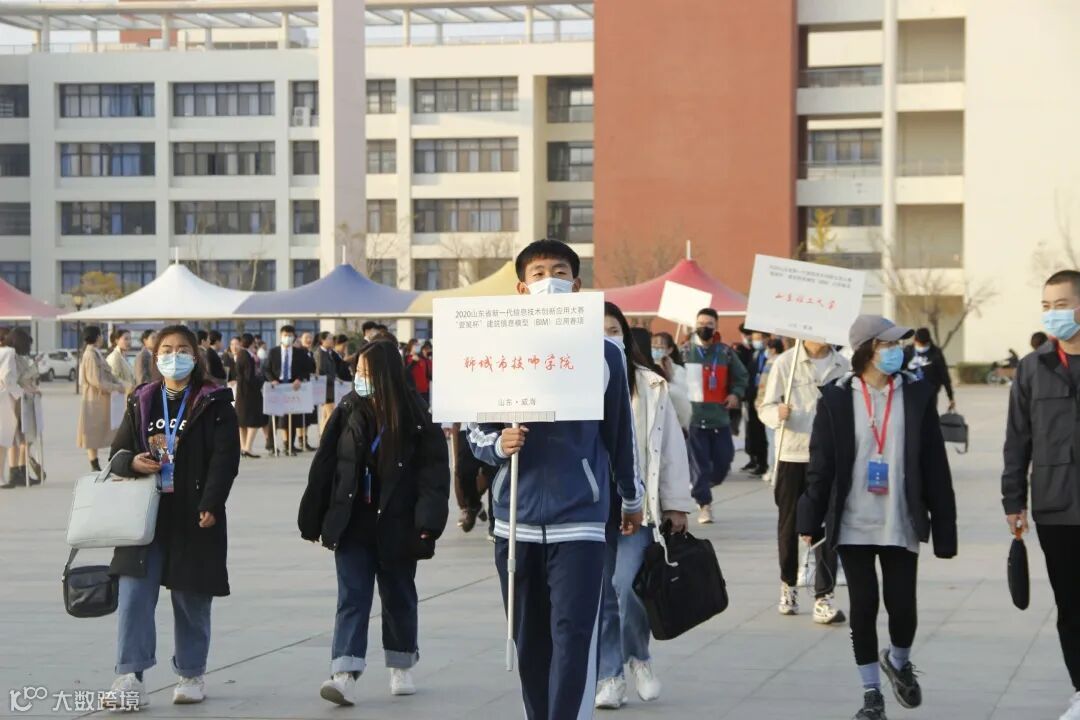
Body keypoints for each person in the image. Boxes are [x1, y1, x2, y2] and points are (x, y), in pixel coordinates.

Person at [468, 240, 642, 720]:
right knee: (528, 639)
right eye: (539, 273)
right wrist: (497, 445)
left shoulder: (605, 354)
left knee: (573, 635)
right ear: (522, 288)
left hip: (580, 519)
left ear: (577, 284)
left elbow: (621, 435)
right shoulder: (496, 352)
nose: (550, 281)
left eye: (559, 272)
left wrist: (631, 499)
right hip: (515, 522)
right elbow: (474, 431)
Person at [798, 315, 957, 720]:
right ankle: (871, 694)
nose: (896, 351)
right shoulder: (836, 398)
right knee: (864, 605)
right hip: (853, 521)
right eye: (888, 344)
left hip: (900, 519)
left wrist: (944, 526)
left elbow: (934, 464)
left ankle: (898, 661)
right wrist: (808, 519)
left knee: (902, 605)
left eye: (897, 344)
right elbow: (821, 465)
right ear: (867, 349)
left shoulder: (916, 394)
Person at [300, 340, 450, 707]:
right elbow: (325, 465)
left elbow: (433, 475)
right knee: (352, 597)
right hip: (353, 521)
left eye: (366, 372)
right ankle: (344, 672)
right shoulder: (348, 408)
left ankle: (401, 662)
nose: (359, 378)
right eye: (357, 372)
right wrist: (313, 516)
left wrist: (428, 523)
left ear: (385, 374)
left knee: (398, 595)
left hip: (398, 523)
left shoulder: (417, 416)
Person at [104, 324, 240, 710]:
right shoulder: (142, 399)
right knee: (134, 595)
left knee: (191, 596)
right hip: (145, 515)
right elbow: (117, 454)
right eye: (166, 349)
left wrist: (211, 502)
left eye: (182, 349)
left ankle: (191, 673)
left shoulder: (214, 401)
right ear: (155, 354)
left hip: (194, 514)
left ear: (195, 356)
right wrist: (133, 462)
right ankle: (130, 675)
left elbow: (225, 459)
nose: (174, 356)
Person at [596, 312, 694, 709]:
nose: (607, 338)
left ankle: (638, 655)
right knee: (602, 594)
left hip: (636, 504)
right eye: (598, 332)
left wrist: (676, 504)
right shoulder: (574, 381)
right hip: (591, 504)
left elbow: (670, 447)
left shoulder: (651, 385)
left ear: (625, 336)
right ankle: (610, 676)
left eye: (614, 331)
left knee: (628, 586)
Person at [1003, 270, 1080, 720]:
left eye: (1061, 305)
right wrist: (1013, 500)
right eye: (1046, 306)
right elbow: (1018, 439)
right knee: (1071, 606)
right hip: (1056, 507)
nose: (1052, 314)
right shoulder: (1034, 367)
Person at [759, 338, 850, 623]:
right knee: (788, 526)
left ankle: (824, 596)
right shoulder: (785, 362)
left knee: (829, 526)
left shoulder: (843, 365)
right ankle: (788, 586)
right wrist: (777, 414)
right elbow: (764, 406)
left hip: (829, 457)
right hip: (792, 454)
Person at [686, 309, 749, 524]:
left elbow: (742, 376)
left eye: (709, 324)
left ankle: (702, 484)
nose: (704, 327)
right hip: (694, 418)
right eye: (701, 323)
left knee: (724, 461)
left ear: (716, 327)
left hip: (719, 417)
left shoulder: (725, 352)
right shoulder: (685, 351)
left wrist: (735, 394)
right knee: (700, 465)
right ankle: (704, 504)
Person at [77, 326, 126, 472]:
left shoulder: (95, 353)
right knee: (92, 433)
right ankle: (94, 465)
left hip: (101, 398)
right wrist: (116, 387)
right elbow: (95, 380)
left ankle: (101, 463)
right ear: (97, 337)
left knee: (103, 431)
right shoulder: (90, 355)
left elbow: (107, 374)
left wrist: (119, 384)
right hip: (94, 399)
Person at [264, 325, 312, 455]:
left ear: (294, 337)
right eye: (285, 335)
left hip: (292, 387)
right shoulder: (273, 352)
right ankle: (271, 445)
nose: (288, 338)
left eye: (290, 336)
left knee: (291, 417)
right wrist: (272, 380)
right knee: (273, 416)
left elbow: (307, 369)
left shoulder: (299, 353)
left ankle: (289, 445)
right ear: (281, 336)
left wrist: (299, 379)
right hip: (276, 386)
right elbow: (266, 369)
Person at [0, 329, 38, 489]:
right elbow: (7, 378)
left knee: (4, 440)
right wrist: (22, 391)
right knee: (3, 440)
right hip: (4, 399)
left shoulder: (4, 351)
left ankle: (3, 476)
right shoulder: (9, 353)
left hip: (5, 397)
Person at [741, 329, 772, 476]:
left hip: (765, 398)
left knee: (763, 433)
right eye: (754, 338)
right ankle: (756, 460)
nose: (755, 341)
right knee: (753, 431)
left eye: (758, 338)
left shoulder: (771, 356)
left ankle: (764, 463)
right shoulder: (755, 355)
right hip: (753, 398)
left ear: (766, 339)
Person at [903, 328, 955, 412]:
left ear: (928, 341)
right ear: (915, 341)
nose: (922, 347)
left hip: (930, 394)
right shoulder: (908, 351)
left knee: (929, 417)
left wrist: (950, 397)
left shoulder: (936, 353)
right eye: (920, 344)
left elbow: (944, 376)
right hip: (911, 394)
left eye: (924, 344)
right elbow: (899, 371)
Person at [234, 334, 267, 459]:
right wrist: (261, 381)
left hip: (242, 392)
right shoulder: (247, 356)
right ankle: (248, 447)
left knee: (242, 422)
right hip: (250, 393)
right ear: (252, 342)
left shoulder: (241, 354)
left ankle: (244, 447)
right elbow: (250, 377)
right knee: (253, 421)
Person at [650, 331, 691, 430]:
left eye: (660, 347)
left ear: (670, 350)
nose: (656, 350)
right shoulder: (646, 368)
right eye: (653, 347)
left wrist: (669, 377)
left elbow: (682, 398)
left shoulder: (678, 370)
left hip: (672, 423)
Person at [314, 331, 340, 432]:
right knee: (330, 414)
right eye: (329, 338)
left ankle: (323, 435)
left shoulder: (328, 352)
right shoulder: (320, 353)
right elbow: (320, 373)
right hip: (325, 388)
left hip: (330, 387)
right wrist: (334, 379)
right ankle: (325, 435)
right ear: (322, 340)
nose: (332, 340)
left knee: (326, 414)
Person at [299, 331, 319, 451]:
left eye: (310, 337)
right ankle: (301, 439)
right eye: (306, 337)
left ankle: (305, 440)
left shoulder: (310, 353)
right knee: (301, 415)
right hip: (301, 387)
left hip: (310, 387)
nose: (309, 340)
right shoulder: (299, 352)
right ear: (301, 339)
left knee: (308, 416)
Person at [107, 328, 136, 396]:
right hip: (119, 396)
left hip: (127, 394)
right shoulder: (115, 356)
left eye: (130, 339)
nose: (129, 342)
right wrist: (129, 386)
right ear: (117, 341)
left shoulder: (123, 356)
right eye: (126, 339)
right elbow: (114, 378)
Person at [406, 341, 433, 406]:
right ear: (410, 346)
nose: (417, 347)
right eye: (415, 345)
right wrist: (413, 362)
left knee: (425, 407)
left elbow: (427, 374)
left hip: (424, 390)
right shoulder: (406, 358)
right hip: (414, 391)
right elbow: (406, 372)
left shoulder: (423, 359)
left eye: (418, 345)